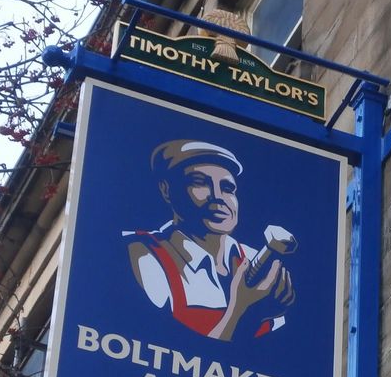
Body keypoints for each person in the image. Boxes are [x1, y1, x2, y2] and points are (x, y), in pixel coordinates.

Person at [124, 139, 294, 341]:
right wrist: (242, 311)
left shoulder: (254, 258)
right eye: (199, 182)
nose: (218, 197)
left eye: (227, 188)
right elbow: (171, 347)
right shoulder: (142, 253)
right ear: (166, 190)